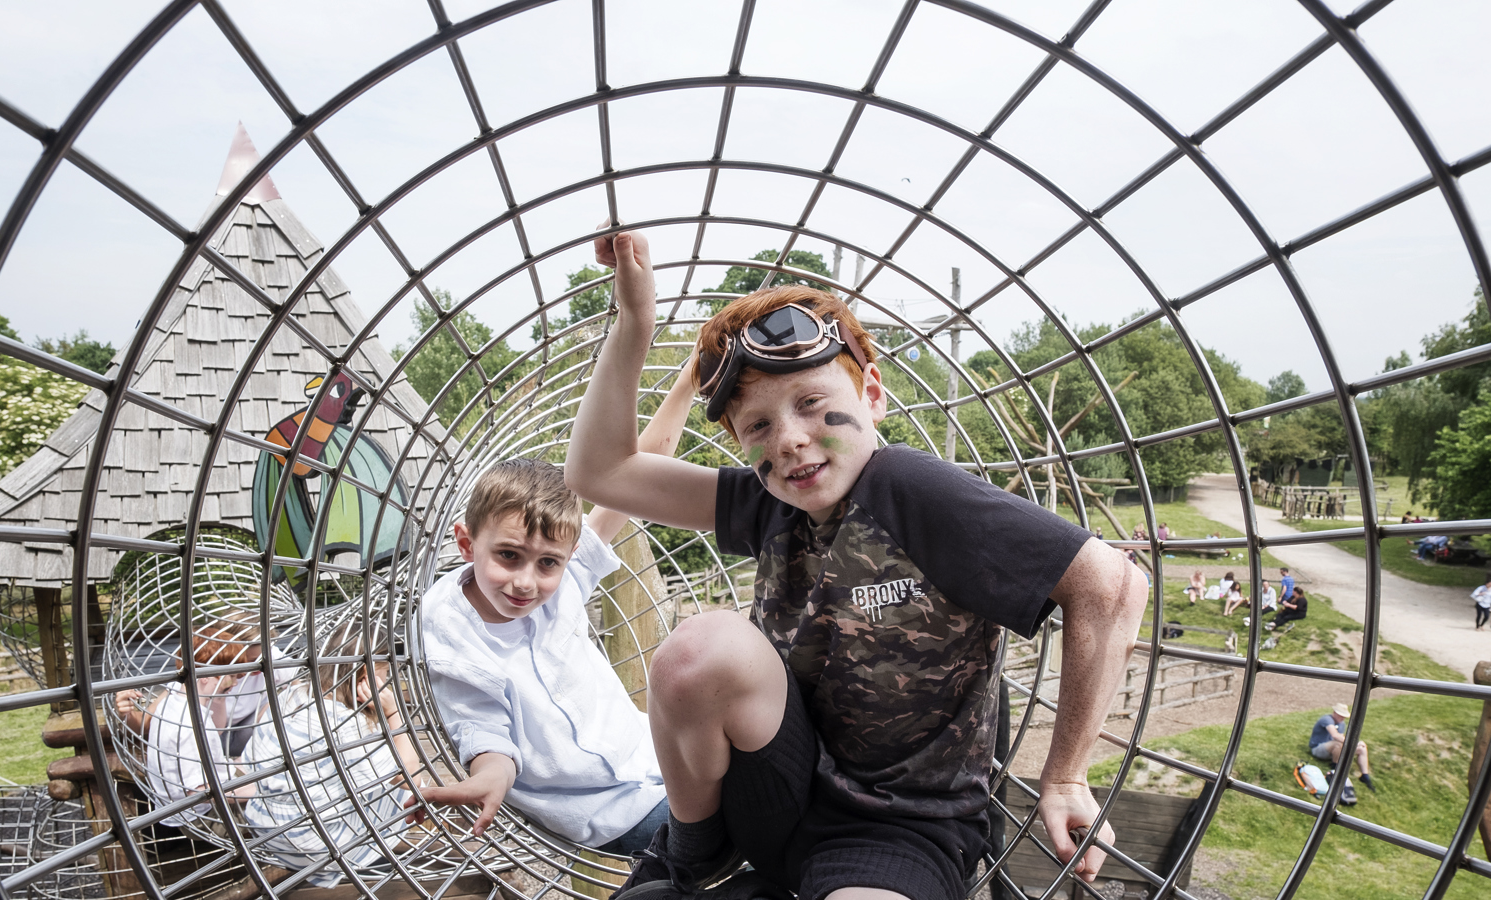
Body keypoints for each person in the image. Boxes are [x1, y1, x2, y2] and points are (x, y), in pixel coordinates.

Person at [565, 230, 1147, 900]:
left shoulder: (909, 489)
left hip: (899, 829)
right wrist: (637, 321)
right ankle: (690, 854)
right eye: (758, 426)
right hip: (780, 795)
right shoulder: (766, 502)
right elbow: (601, 472)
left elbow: (1112, 586)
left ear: (872, 394)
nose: (788, 440)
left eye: (812, 404)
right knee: (698, 647)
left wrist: (1066, 774)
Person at [412, 364, 696, 853]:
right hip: (605, 810)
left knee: (765, 793)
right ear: (466, 543)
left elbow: (643, 470)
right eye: (507, 556)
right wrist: (492, 776)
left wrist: (690, 379)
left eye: (548, 563)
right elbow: (480, 722)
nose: (525, 582)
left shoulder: (562, 582)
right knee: (725, 840)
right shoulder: (450, 627)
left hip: (652, 761)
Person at [242, 619, 422, 887]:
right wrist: (394, 713)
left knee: (370, 772)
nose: (387, 680)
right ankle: (370, 855)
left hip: (267, 829)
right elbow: (411, 778)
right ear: (367, 674)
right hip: (312, 845)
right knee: (403, 786)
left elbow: (249, 763)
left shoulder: (289, 696)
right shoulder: (347, 723)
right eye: (385, 672)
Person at [113, 611, 269, 828]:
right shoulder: (188, 726)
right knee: (285, 807)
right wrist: (265, 790)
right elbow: (201, 791)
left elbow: (217, 730)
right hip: (203, 817)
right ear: (204, 675)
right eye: (232, 675)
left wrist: (219, 693)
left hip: (202, 795)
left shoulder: (182, 703)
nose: (236, 682)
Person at [1309, 702, 1374, 791]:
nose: (1342, 718)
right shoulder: (1327, 719)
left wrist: (1357, 744)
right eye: (1341, 715)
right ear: (1335, 712)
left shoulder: (1341, 724)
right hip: (1318, 748)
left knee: (1362, 748)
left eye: (1344, 716)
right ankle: (1335, 769)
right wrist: (1355, 743)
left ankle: (1365, 776)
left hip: (1334, 749)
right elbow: (1335, 736)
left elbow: (1341, 738)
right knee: (1338, 744)